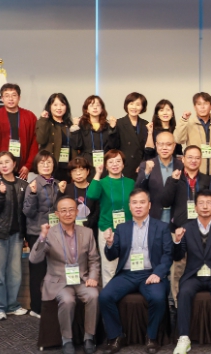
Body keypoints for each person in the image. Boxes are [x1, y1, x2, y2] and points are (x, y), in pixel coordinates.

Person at [99, 189, 173, 354]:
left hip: (151, 273)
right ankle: (116, 336)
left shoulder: (161, 227)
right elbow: (111, 256)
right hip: (127, 274)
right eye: (134, 203)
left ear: (149, 205)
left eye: (142, 202)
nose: (138, 206)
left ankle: (152, 337)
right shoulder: (122, 228)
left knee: (158, 297)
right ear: (130, 206)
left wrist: (158, 273)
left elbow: (168, 255)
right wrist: (110, 243)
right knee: (105, 296)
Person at [29, 197, 100, 354]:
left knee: (94, 295)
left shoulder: (87, 232)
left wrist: (93, 277)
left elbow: (94, 259)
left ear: (77, 211)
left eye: (71, 210)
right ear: (57, 214)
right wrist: (42, 237)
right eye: (64, 210)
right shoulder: (49, 233)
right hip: (58, 281)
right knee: (67, 300)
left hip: (81, 279)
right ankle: (66, 339)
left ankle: (89, 337)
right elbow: (34, 259)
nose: (68, 214)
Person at [172, 189, 211, 354]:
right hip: (193, 275)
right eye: (201, 203)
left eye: (209, 203)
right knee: (184, 292)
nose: (205, 207)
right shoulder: (186, 228)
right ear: (195, 207)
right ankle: (184, 337)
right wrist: (177, 241)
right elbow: (178, 256)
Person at [160, 144, 211, 301]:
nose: (193, 160)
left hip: (202, 231)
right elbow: (165, 202)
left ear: (201, 160)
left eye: (197, 158)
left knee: (200, 267)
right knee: (178, 269)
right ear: (183, 159)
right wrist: (173, 182)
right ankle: (177, 303)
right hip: (179, 230)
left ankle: (196, 304)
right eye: (190, 157)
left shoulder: (207, 179)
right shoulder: (175, 178)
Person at [0, 151, 29, 321]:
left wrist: (25, 235)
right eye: (0, 163)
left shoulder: (24, 184)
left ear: (14, 164)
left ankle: (12, 305)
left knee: (15, 274)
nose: (4, 165)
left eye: (7, 162)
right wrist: (1, 194)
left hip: (16, 236)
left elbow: (25, 213)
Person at [23, 150, 67, 317]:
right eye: (42, 162)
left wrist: (61, 192)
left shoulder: (57, 184)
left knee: (54, 270)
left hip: (55, 233)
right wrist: (33, 194)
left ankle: (51, 304)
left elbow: (59, 209)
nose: (46, 165)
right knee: (38, 271)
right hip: (37, 233)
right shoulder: (33, 185)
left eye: (49, 162)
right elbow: (28, 212)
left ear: (53, 164)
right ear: (37, 165)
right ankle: (36, 308)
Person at [88, 150, 136, 286]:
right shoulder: (102, 182)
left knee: (128, 266)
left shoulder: (130, 182)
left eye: (118, 161)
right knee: (109, 268)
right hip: (107, 229)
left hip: (128, 230)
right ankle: (109, 296)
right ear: (106, 165)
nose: (115, 164)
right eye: (111, 162)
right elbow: (91, 195)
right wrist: (98, 173)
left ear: (123, 164)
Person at [0, 83, 38, 180]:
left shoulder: (29, 116)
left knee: (20, 190)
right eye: (7, 96)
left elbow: (34, 143)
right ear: (2, 99)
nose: (10, 99)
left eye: (14, 95)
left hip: (21, 169)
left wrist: (28, 165)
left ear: (19, 98)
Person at [136, 130, 183, 224]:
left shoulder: (181, 165)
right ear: (156, 145)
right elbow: (138, 189)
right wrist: (146, 173)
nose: (164, 148)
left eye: (168, 144)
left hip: (176, 218)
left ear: (174, 146)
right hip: (154, 216)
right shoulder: (146, 165)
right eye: (161, 144)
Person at [70, 95, 118, 179]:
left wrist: (113, 129)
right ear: (87, 110)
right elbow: (77, 145)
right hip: (86, 162)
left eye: (98, 105)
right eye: (92, 105)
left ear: (102, 109)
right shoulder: (81, 125)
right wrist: (75, 127)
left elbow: (113, 145)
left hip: (105, 162)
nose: (95, 108)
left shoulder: (107, 126)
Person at [36, 93, 74, 182]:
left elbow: (74, 148)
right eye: (55, 105)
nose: (59, 108)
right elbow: (41, 140)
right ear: (50, 107)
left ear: (66, 107)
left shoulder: (69, 125)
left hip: (66, 168)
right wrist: (43, 120)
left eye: (62, 105)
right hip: (50, 167)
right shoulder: (45, 122)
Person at [174, 92, 211, 175]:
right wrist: (183, 120)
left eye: (205, 104)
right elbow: (178, 139)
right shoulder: (188, 123)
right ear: (195, 107)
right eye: (199, 104)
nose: (202, 107)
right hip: (195, 171)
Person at [112, 92, 149, 180]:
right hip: (124, 167)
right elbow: (113, 146)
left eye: (138, 104)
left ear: (142, 107)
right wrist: (112, 129)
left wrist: (143, 164)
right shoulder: (119, 123)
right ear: (126, 105)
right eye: (131, 104)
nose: (134, 107)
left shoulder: (146, 124)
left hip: (141, 167)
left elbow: (148, 149)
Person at [64, 157, 100, 239]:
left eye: (81, 170)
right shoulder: (66, 189)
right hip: (70, 231)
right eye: (74, 170)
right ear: (70, 173)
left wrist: (88, 223)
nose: (78, 173)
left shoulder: (94, 188)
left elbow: (97, 210)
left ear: (88, 171)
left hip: (91, 231)